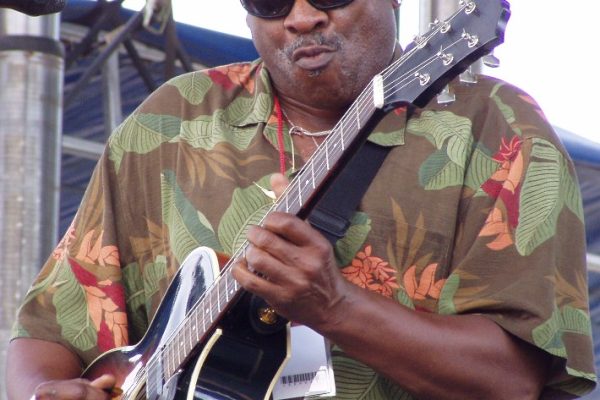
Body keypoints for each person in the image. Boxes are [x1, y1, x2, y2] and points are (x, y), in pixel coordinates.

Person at [5, 0, 597, 398]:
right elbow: (48, 331)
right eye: (271, 1)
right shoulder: (174, 119)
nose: (303, 17)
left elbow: (513, 381)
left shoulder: (498, 128)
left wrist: (336, 307)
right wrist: (46, 390)